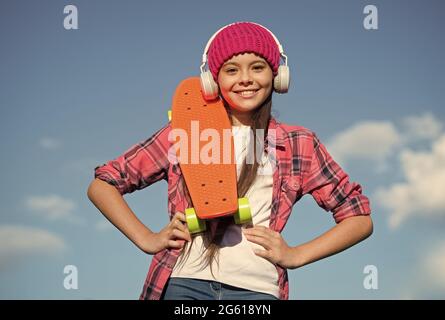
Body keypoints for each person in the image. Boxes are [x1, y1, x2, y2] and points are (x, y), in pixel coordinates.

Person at [87, 21, 373, 300]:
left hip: (258, 289)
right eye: (232, 70)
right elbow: (103, 184)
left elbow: (359, 218)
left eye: (257, 67)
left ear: (278, 76)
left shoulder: (299, 143)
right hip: (184, 282)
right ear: (212, 80)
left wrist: (296, 255)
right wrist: (147, 239)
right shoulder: (188, 131)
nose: (245, 79)